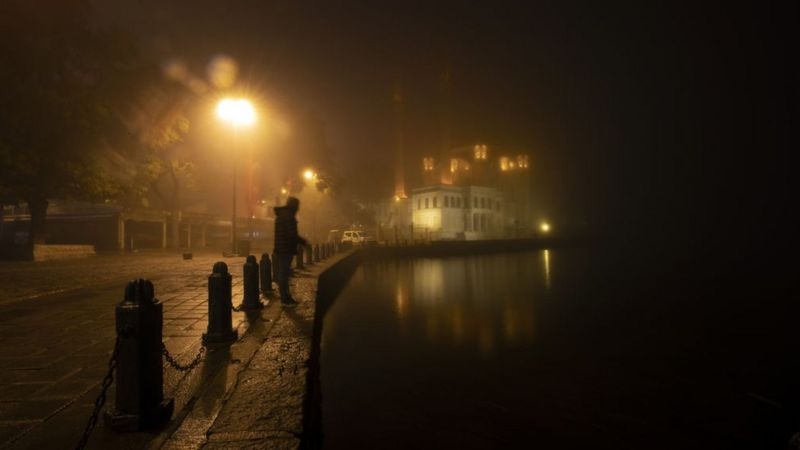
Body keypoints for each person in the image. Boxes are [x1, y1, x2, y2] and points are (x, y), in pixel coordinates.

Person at [273, 196, 307, 307]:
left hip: (281, 248)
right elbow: (292, 234)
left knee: (284, 273)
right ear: (294, 206)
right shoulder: (288, 217)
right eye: (297, 206)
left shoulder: (282, 215)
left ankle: (286, 296)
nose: (298, 208)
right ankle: (285, 298)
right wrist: (304, 242)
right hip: (285, 249)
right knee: (283, 273)